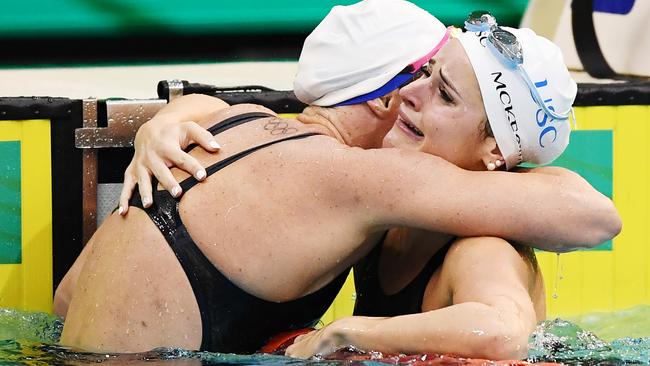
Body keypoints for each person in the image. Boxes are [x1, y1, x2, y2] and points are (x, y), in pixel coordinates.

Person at [54, 0, 620, 356]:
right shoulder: (368, 180)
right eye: (419, 78)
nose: (412, 99)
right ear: (383, 95)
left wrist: (167, 118)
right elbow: (590, 216)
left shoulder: (227, 126)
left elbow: (66, 298)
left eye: (438, 88)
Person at [285, 12, 570, 360]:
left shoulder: (480, 249)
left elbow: (503, 333)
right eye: (425, 73)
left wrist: (347, 331)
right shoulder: (390, 206)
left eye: (445, 95)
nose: (409, 91)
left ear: (495, 149)